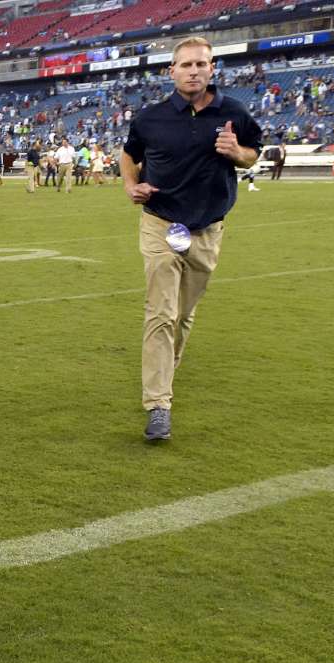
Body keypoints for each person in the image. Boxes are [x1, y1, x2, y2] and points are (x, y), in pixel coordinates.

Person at [121, 35, 261, 441]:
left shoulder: (234, 112)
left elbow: (255, 151)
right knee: (160, 313)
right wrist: (131, 185)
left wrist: (237, 153)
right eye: (186, 65)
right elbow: (129, 154)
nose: (194, 71)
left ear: (212, 68)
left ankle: (166, 371)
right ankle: (158, 405)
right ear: (172, 71)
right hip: (161, 225)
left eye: (201, 64)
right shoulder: (150, 118)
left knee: (182, 315)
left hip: (207, 229)